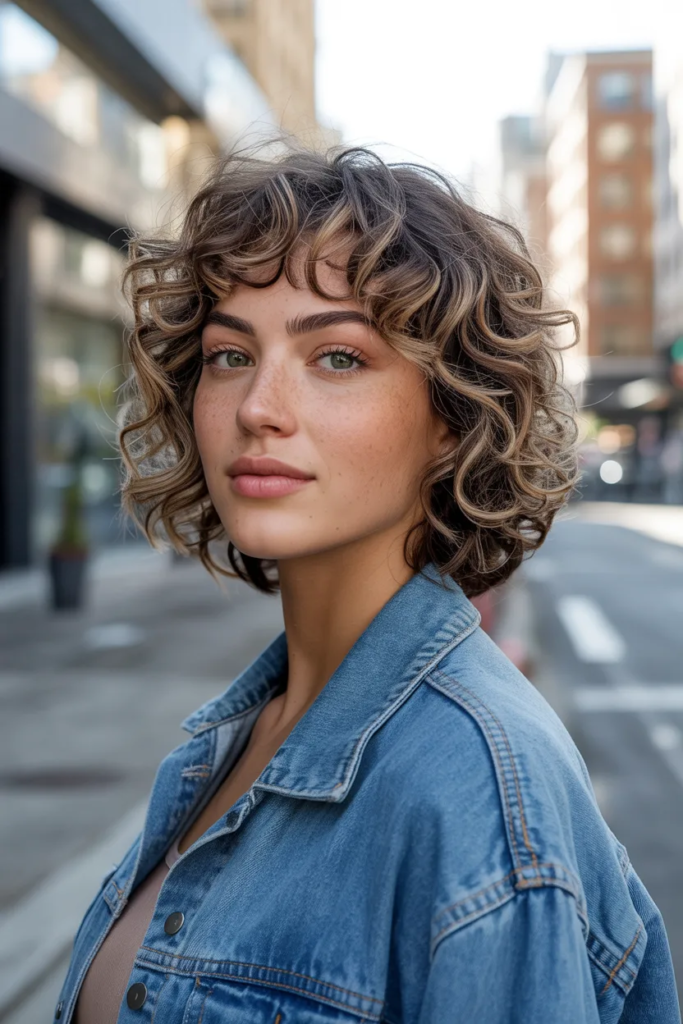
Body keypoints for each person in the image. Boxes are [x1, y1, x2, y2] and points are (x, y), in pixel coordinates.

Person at [55, 145, 680, 1024]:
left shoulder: (477, 795)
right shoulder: (229, 740)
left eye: (337, 358)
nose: (257, 407)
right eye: (229, 355)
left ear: (451, 415)